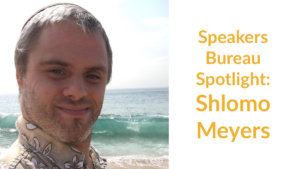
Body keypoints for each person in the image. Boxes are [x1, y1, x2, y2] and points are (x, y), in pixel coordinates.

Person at [0, 3, 112, 169]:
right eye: (57, 71)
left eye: (93, 76)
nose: (78, 92)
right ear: (20, 75)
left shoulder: (92, 159)